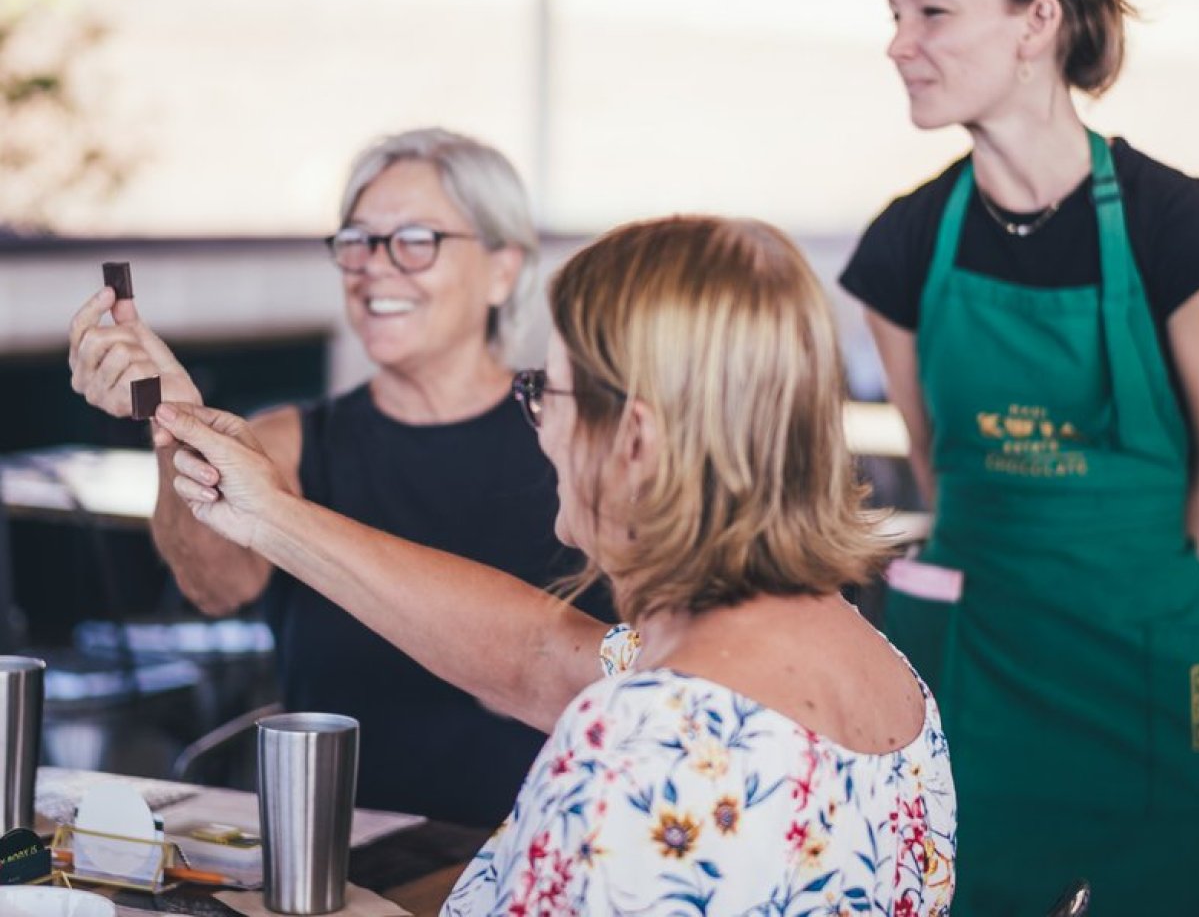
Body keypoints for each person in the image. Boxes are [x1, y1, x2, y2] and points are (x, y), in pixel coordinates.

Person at [154, 215, 956, 915]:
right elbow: (537, 652)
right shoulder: (881, 675)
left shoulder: (639, 742)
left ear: (634, 439)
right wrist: (270, 515)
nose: (539, 429)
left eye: (548, 393)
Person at [840, 0, 1199, 916]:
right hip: (975, 668)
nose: (900, 43)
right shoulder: (903, 246)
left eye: (933, 11)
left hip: (1149, 656)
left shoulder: (1171, 225)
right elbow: (935, 467)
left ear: (1037, 21)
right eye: (895, 13)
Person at [67, 127, 607, 826]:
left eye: (416, 240)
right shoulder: (288, 442)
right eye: (356, 241)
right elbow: (213, 584)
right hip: (338, 857)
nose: (374, 268)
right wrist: (174, 423)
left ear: (504, 269)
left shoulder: (572, 439)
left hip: (540, 851)